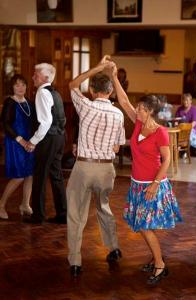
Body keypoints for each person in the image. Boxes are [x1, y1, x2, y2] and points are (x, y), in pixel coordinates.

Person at [109, 59, 182, 285]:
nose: (137, 110)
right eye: (138, 107)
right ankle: (156, 259)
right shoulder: (139, 124)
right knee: (142, 225)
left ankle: (160, 265)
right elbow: (122, 100)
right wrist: (113, 75)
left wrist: (155, 184)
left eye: (140, 108)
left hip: (153, 186)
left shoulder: (160, 132)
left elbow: (167, 159)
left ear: (149, 111)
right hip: (137, 183)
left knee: (145, 226)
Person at [66, 56, 126, 277]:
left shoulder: (87, 107)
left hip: (84, 167)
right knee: (104, 208)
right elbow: (117, 148)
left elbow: (72, 85)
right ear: (110, 91)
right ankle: (114, 248)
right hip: (106, 169)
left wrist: (98, 68)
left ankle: (75, 261)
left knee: (76, 214)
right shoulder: (118, 114)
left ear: (92, 89)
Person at [24, 63, 67, 224]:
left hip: (48, 138)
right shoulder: (55, 92)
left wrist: (33, 141)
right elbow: (60, 118)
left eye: (36, 74)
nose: (33, 77)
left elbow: (46, 121)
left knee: (40, 176)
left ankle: (38, 216)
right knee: (57, 176)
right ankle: (63, 214)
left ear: (46, 78)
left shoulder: (42, 92)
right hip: (60, 138)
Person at [0, 74, 34, 219]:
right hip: (15, 142)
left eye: (23, 84)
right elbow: (5, 125)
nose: (20, 88)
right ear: (12, 87)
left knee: (29, 174)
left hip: (29, 143)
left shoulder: (29, 102)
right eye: (17, 85)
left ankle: (25, 205)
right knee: (19, 176)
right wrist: (20, 140)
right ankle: (1, 204)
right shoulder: (9, 102)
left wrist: (33, 141)